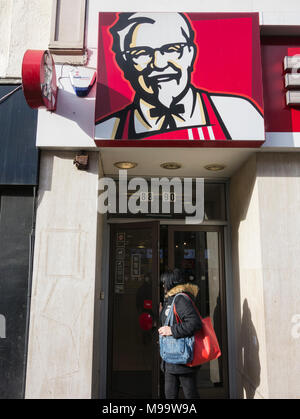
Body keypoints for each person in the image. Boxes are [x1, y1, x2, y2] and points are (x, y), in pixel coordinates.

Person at [95, 12, 264, 141]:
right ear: (124, 63)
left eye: (172, 49)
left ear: (190, 54)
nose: (159, 64)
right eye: (141, 53)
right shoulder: (109, 130)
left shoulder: (237, 113)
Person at [158, 269, 202, 399]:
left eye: (164, 282)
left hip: (183, 359)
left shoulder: (181, 299)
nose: (163, 286)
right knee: (170, 395)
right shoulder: (170, 300)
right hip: (170, 359)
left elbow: (194, 323)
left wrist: (171, 331)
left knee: (190, 395)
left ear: (171, 283)